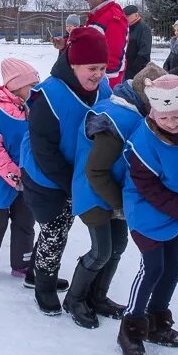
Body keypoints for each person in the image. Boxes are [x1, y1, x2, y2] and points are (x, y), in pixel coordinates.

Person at [116, 75, 178, 355]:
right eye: (165, 118)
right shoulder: (144, 141)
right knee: (152, 267)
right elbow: (148, 187)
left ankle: (158, 318)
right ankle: (131, 326)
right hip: (148, 209)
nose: (171, 123)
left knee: (173, 266)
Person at [65, 62, 165, 329]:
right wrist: (121, 204)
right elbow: (95, 171)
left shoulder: (132, 112)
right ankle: (74, 299)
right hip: (94, 193)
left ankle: (98, 297)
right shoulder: (116, 119)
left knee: (117, 248)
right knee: (101, 251)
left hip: (116, 193)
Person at [21, 27, 112, 314]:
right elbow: (43, 150)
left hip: (76, 172)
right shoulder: (48, 96)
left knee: (57, 227)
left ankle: (34, 273)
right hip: (44, 174)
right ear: (73, 64)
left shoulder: (103, 89)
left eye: (102, 67)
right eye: (91, 68)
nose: (98, 74)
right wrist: (70, 184)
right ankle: (43, 286)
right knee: (55, 230)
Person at [0, 59, 40, 282]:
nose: (36, 87)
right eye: (31, 83)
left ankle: (21, 262)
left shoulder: (31, 108)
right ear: (15, 86)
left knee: (25, 221)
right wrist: (15, 176)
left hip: (26, 176)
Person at [83, 0, 129, 88]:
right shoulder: (98, 16)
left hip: (105, 80)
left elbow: (114, 54)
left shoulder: (113, 18)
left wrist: (104, 81)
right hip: (94, 75)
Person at [123, 5, 152, 81]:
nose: (125, 18)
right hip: (125, 68)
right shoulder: (126, 28)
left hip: (137, 71)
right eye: (124, 16)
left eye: (128, 16)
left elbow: (144, 52)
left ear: (136, 15)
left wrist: (134, 68)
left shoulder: (143, 29)